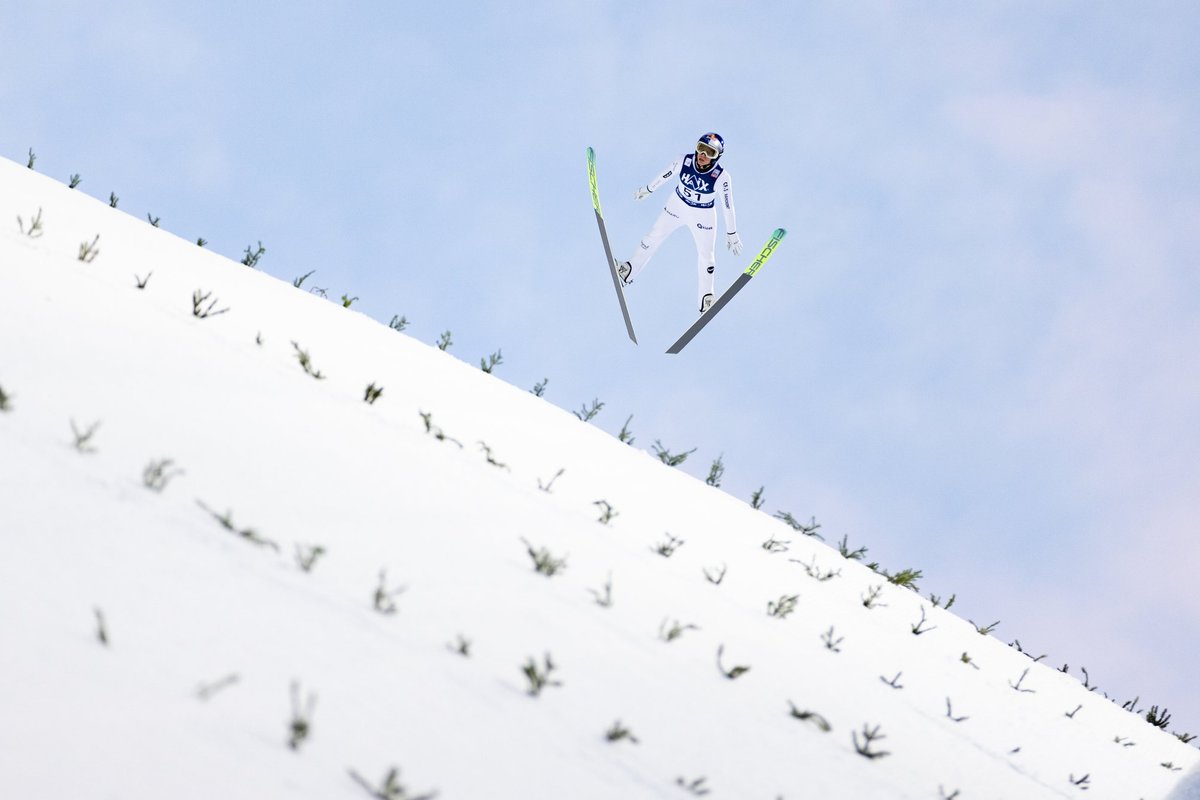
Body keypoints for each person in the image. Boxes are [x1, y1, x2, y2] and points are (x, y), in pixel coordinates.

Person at [616, 132, 741, 314]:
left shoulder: (722, 177)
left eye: (710, 152)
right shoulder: (684, 160)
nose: (703, 155)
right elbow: (666, 174)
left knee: (706, 255)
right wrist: (648, 189)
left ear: (717, 157)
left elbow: (728, 206)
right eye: (701, 149)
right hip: (677, 205)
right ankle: (629, 270)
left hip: (703, 214)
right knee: (653, 236)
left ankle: (706, 297)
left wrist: (732, 233)